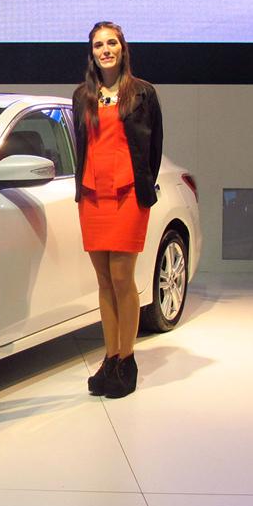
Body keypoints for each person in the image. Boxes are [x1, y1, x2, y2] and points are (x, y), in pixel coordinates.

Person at [72, 21, 163, 398]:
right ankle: (109, 357)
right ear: (91, 52)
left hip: (128, 195)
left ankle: (127, 359)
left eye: (111, 43)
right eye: (98, 45)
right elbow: (82, 145)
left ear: (123, 48)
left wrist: (141, 184)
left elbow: (154, 146)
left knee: (123, 279)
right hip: (93, 196)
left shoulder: (143, 93)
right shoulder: (82, 96)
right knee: (104, 281)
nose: (105, 49)